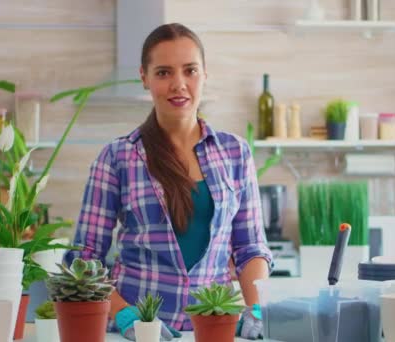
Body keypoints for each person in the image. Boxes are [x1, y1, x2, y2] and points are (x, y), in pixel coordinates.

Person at [64, 23, 273, 340]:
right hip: (139, 332)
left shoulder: (235, 153)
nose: (179, 84)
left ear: (205, 74)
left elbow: (250, 248)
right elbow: (83, 258)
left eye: (190, 70)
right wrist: (125, 314)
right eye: (163, 73)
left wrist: (257, 310)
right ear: (144, 77)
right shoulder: (118, 158)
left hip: (215, 327)